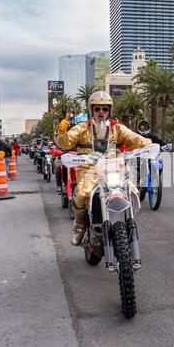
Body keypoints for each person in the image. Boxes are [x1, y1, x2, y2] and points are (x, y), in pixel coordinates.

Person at [55, 91, 152, 246]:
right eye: (97, 109)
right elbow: (64, 143)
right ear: (91, 110)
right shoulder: (81, 128)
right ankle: (79, 226)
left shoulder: (118, 128)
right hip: (89, 169)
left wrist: (150, 145)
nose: (101, 112)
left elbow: (135, 138)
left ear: (109, 111)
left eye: (105, 109)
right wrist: (61, 131)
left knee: (132, 190)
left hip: (114, 168)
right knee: (82, 193)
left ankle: (127, 219)